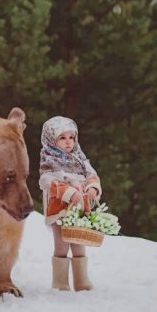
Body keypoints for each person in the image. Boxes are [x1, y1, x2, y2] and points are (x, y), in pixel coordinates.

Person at [39, 116, 102, 291]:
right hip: (59, 209)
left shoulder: (79, 158)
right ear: (52, 140)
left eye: (71, 138)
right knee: (61, 243)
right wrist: (69, 192)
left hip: (79, 210)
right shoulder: (49, 161)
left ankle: (82, 281)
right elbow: (47, 182)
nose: (68, 142)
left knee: (78, 241)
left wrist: (92, 188)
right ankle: (60, 282)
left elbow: (92, 175)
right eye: (63, 138)